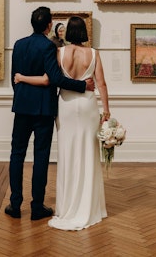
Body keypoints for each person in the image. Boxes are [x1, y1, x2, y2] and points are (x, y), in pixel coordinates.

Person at [15, 15, 110, 231]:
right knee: (88, 152)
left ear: (67, 33)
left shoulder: (60, 52)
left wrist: (20, 78)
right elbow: (101, 84)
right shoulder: (94, 54)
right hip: (87, 106)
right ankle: (88, 206)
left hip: (65, 105)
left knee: (67, 154)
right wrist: (106, 110)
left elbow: (51, 80)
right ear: (85, 32)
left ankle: (67, 206)